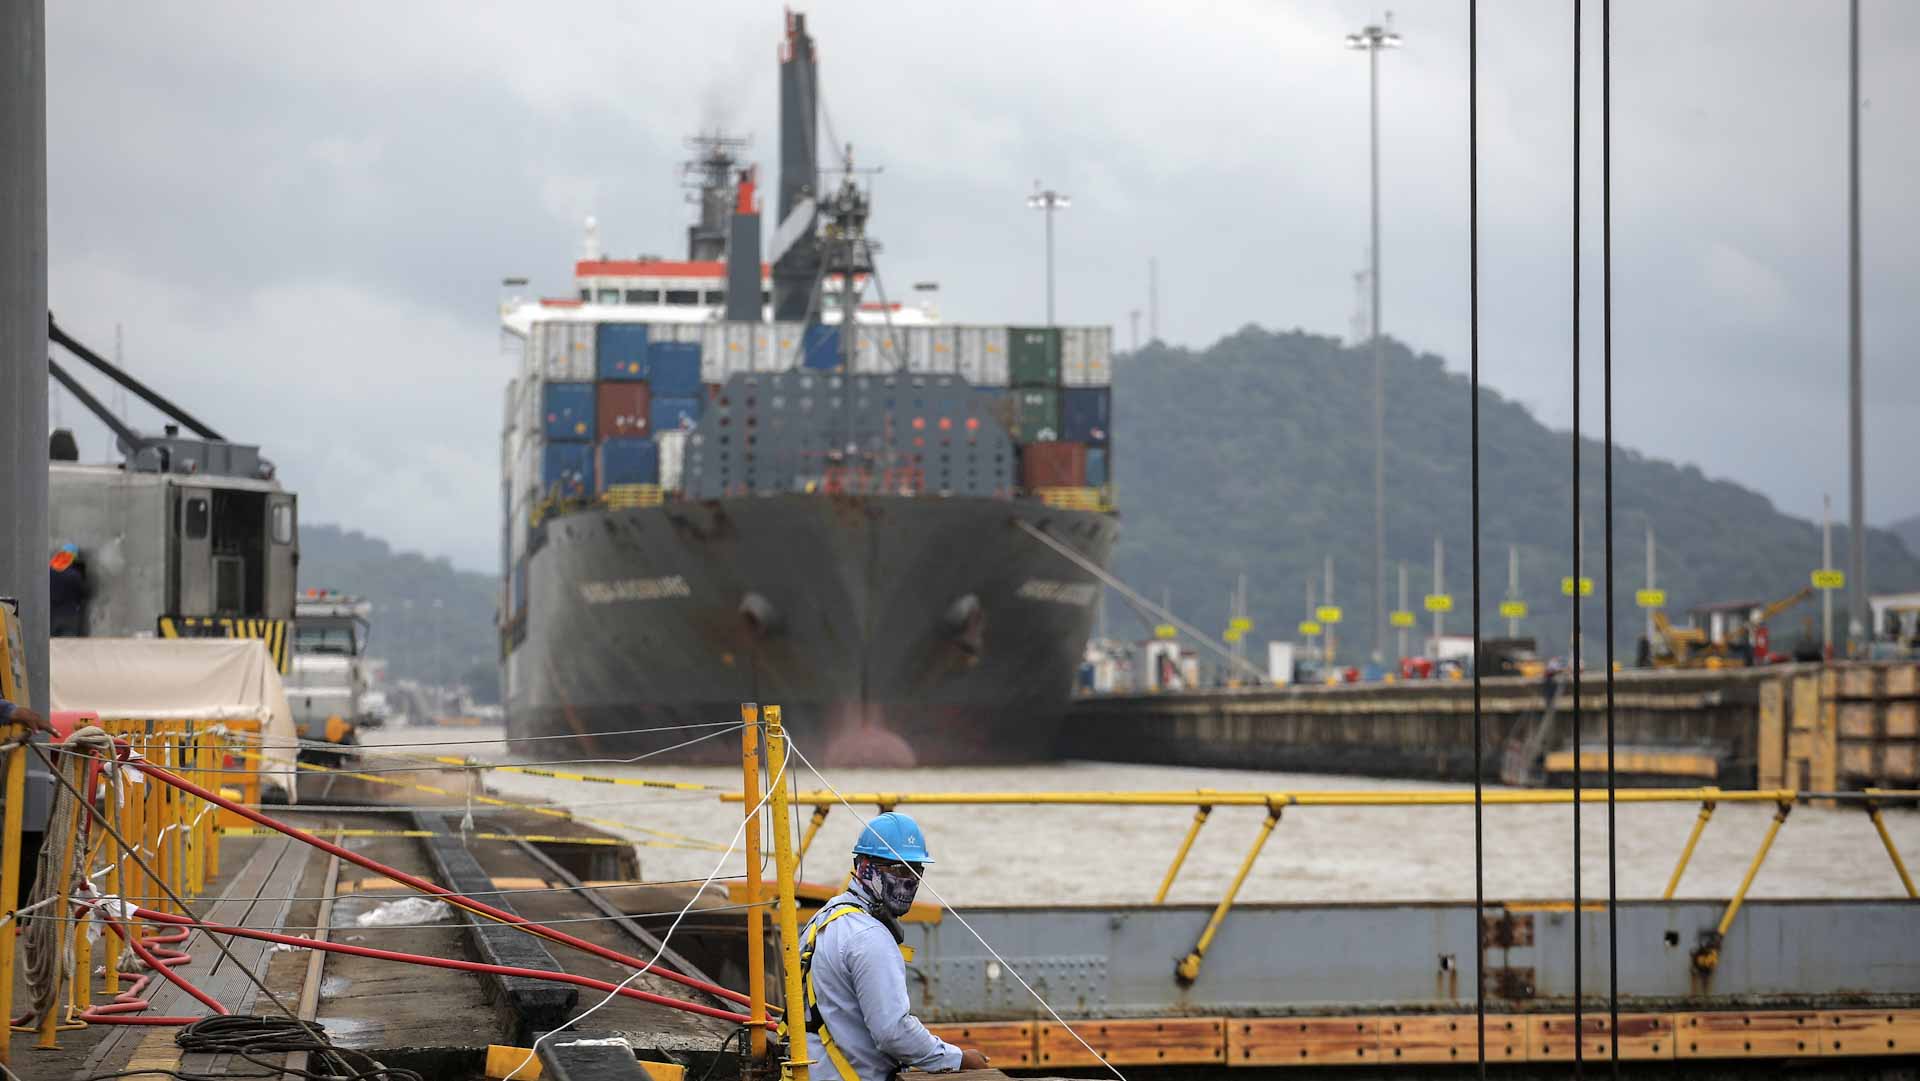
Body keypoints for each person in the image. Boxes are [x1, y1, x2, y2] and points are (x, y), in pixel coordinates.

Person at [798, 812, 989, 1081]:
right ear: (863, 865)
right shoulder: (871, 937)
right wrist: (959, 1059)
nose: (909, 881)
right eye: (898, 869)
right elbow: (893, 1032)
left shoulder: (823, 918)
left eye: (916, 870)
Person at [48, 543, 92, 637]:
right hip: (70, 616)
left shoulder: (49, 572)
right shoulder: (74, 575)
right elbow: (85, 593)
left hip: (51, 615)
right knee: (69, 646)